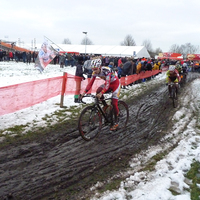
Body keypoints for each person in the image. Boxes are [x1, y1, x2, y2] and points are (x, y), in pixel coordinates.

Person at [80, 58, 121, 131]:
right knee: (98, 90)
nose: (94, 71)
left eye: (95, 69)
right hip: (107, 84)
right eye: (93, 69)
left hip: (115, 84)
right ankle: (105, 106)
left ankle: (116, 122)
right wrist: (83, 93)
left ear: (99, 67)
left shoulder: (106, 71)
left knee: (114, 103)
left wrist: (101, 93)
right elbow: (90, 84)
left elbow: (107, 85)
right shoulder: (94, 72)